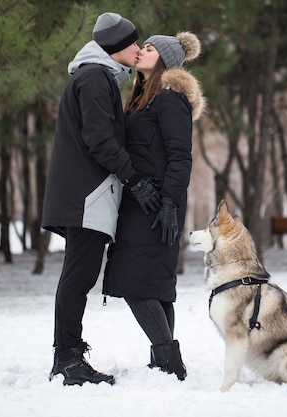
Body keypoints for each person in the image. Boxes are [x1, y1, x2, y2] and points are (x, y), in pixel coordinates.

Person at [42, 12, 162, 386]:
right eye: (133, 43)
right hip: (86, 196)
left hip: (87, 194)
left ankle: (67, 356)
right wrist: (135, 180)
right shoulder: (95, 77)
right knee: (78, 279)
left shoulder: (98, 77)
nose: (138, 49)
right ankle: (68, 360)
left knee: (77, 278)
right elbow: (99, 140)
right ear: (114, 47)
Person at [102, 31, 205, 380]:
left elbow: (180, 157)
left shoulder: (169, 97)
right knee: (155, 285)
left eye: (148, 48)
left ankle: (169, 361)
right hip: (138, 202)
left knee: (137, 283)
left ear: (163, 58)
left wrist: (168, 204)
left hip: (158, 202)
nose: (140, 51)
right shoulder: (141, 96)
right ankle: (164, 363)